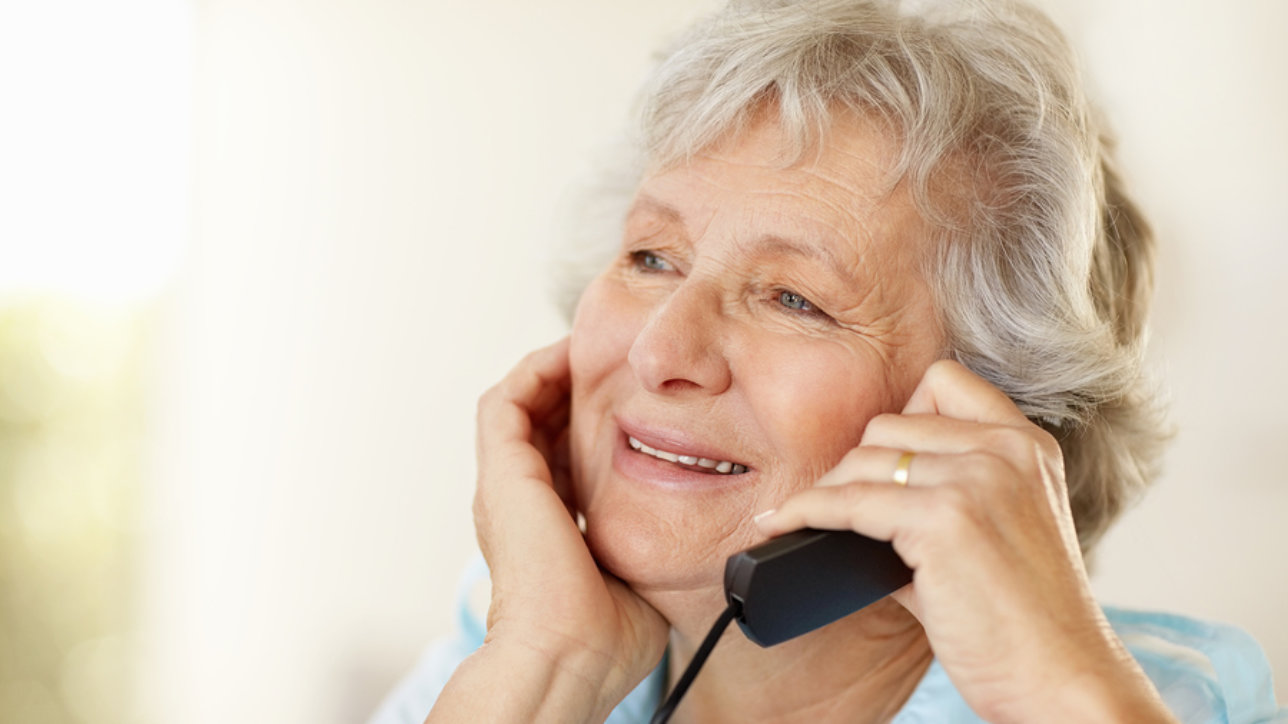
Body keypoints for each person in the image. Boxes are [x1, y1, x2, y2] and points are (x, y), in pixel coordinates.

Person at [371, 0, 1285, 721]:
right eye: (652, 257)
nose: (658, 350)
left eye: (795, 299)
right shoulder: (513, 640)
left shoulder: (1161, 707)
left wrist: (1064, 696)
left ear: (985, 427)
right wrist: (546, 672)